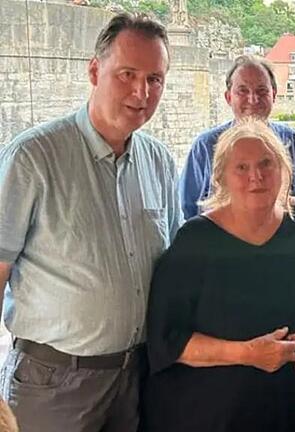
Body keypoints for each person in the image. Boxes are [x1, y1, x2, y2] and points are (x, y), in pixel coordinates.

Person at [0, 13, 180, 432]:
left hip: (137, 375)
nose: (142, 91)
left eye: (155, 79)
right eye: (127, 74)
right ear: (95, 70)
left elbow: (175, 263)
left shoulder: (159, 163)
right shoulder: (33, 158)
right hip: (54, 382)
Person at [144, 119, 295, 432]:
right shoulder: (196, 240)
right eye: (242, 168)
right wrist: (246, 354)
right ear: (221, 177)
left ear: (283, 169)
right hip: (221, 412)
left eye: (266, 163)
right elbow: (166, 341)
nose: (256, 176)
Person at [179, 55, 295, 219]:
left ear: (273, 95)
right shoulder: (205, 145)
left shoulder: (289, 140)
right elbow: (187, 209)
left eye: (262, 91)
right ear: (228, 97)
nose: (253, 99)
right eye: (243, 91)